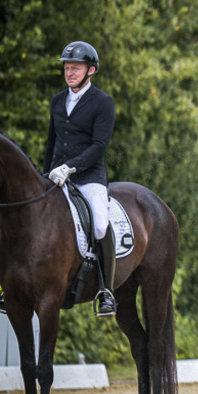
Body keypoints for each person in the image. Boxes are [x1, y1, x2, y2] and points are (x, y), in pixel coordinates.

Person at [44, 41, 117, 317]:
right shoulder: (56, 101)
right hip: (56, 177)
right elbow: (51, 143)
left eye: (75, 67)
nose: (69, 71)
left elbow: (99, 146)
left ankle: (106, 291)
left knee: (99, 224)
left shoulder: (103, 102)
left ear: (91, 70)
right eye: (66, 66)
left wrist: (70, 168)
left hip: (88, 178)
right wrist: (45, 174)